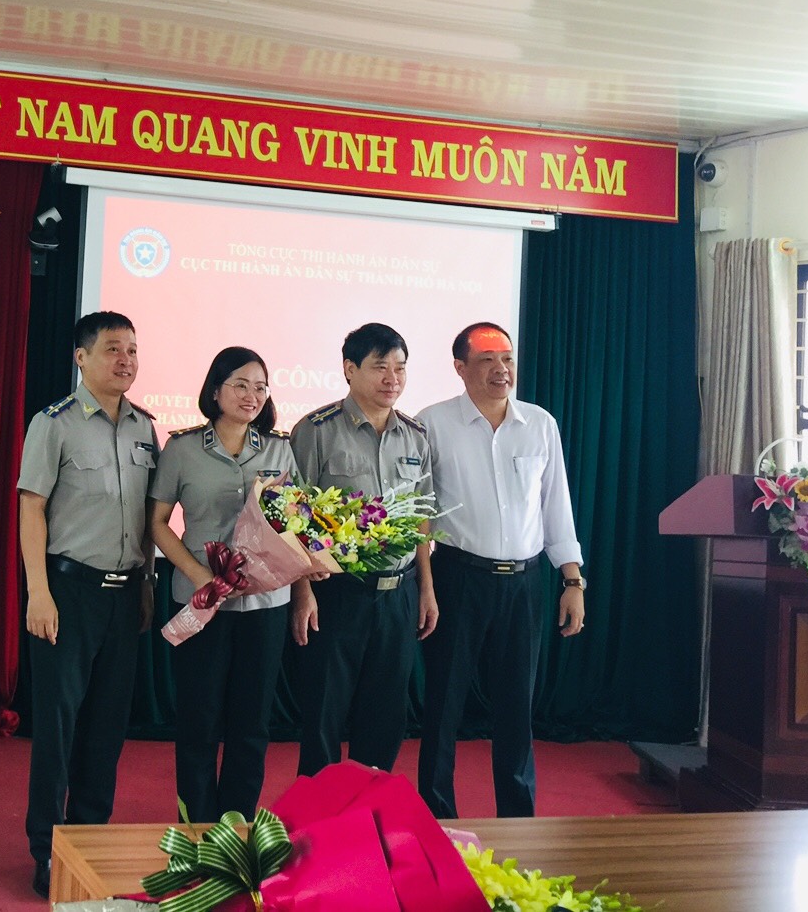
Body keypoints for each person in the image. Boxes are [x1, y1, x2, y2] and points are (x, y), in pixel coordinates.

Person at [416, 321, 586, 819]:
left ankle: (517, 818)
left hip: (524, 584)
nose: (501, 369)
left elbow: (556, 506)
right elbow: (419, 513)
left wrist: (572, 579)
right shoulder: (431, 423)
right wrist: (425, 585)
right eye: (487, 359)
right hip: (457, 577)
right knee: (443, 706)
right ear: (460, 367)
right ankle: (436, 817)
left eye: (507, 358)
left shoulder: (540, 424)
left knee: (516, 707)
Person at [17, 311, 157, 898]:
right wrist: (38, 592)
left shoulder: (146, 427)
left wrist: (147, 584)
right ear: (81, 357)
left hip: (125, 598)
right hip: (68, 592)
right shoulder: (54, 423)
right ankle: (47, 851)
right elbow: (31, 507)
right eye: (112, 349)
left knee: (107, 728)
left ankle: (90, 839)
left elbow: (148, 518)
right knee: (58, 727)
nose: (125, 360)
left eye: (132, 350)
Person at [149, 346, 297, 823]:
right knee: (199, 721)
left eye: (261, 387)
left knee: (251, 724)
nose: (252, 396)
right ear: (215, 391)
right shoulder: (182, 449)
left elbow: (297, 525)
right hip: (200, 603)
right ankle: (197, 827)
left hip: (265, 604)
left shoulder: (279, 449)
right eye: (241, 385)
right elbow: (157, 523)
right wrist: (202, 577)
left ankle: (237, 827)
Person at [288, 322, 437, 777]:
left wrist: (426, 589)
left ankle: (368, 812)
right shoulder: (316, 430)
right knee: (323, 716)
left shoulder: (415, 435)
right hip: (337, 593)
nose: (392, 378)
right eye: (380, 367)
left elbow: (422, 518)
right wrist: (302, 592)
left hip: (398, 595)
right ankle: (316, 814)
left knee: (386, 717)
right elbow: (294, 517)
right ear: (350, 369)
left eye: (400, 368)